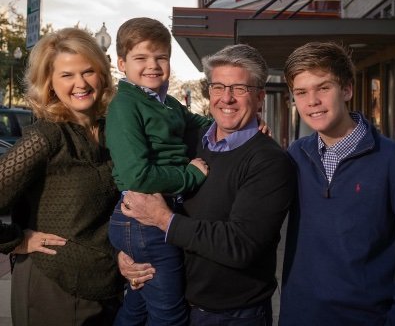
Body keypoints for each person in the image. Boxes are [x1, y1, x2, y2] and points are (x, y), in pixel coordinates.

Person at [119, 44, 297, 326]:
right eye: (218, 87)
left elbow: (241, 245)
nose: (227, 98)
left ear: (260, 97)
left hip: (231, 315)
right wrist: (127, 254)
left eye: (239, 89)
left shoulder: (270, 162)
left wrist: (165, 220)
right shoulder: (189, 142)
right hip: (173, 303)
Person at [0, 28, 124, 326]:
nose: (80, 83)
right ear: (50, 84)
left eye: (88, 71)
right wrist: (15, 241)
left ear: (102, 75)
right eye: (67, 75)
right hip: (53, 289)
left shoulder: (114, 130)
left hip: (107, 287)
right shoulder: (46, 136)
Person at [279, 41, 395, 325]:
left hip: (368, 318)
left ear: (347, 89)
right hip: (299, 315)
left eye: (323, 88)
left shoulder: (392, 160)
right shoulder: (294, 155)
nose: (312, 101)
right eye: (301, 92)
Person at [106, 17, 211, 326]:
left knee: (137, 308)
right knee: (170, 315)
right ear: (122, 63)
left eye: (160, 57)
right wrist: (190, 176)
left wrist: (238, 125)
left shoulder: (166, 102)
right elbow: (136, 175)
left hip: (153, 216)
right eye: (141, 58)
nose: (153, 65)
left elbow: (199, 124)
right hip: (142, 222)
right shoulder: (125, 105)